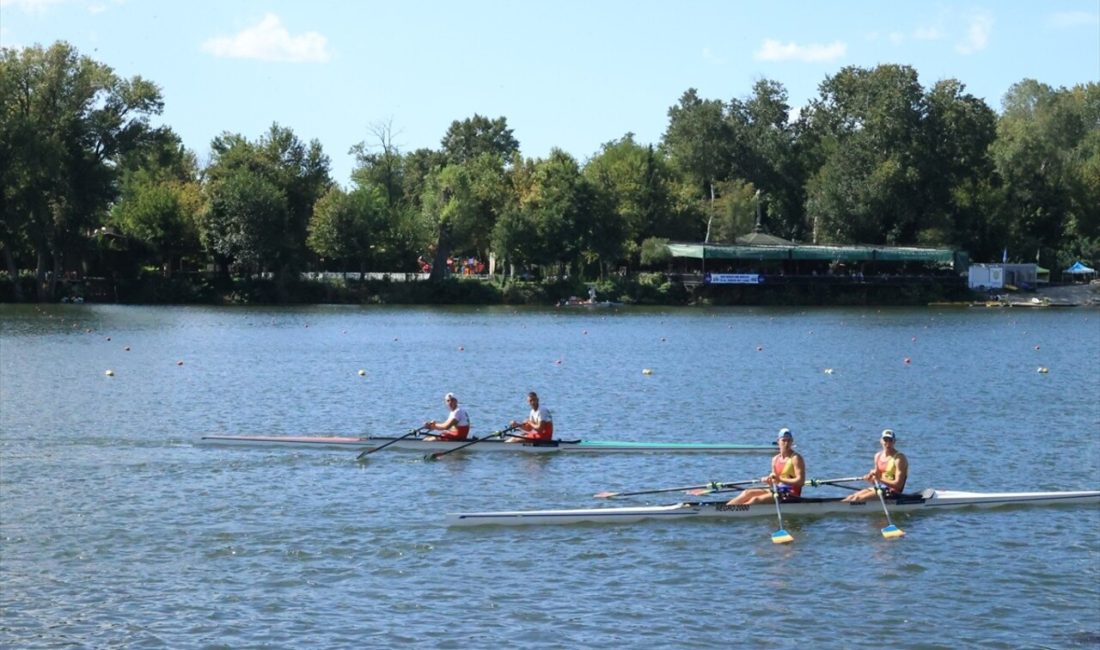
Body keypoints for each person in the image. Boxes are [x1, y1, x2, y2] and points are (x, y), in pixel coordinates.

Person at [726, 428, 805, 506]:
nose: (786, 443)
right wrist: (769, 481)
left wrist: (780, 479)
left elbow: (801, 482)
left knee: (755, 499)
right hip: (777, 490)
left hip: (790, 494)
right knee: (748, 492)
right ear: (778, 441)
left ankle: (736, 511)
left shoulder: (796, 458)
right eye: (783, 440)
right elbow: (775, 482)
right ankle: (725, 509)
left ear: (792, 442)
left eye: (789, 440)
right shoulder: (775, 459)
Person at [844, 429, 909, 502]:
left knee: (857, 499)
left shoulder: (899, 458)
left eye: (890, 440)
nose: (887, 443)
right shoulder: (877, 456)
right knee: (851, 497)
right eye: (885, 440)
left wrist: (879, 479)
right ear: (881, 440)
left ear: (894, 442)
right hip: (880, 488)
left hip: (893, 492)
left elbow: (898, 485)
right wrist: (870, 478)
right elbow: (876, 481)